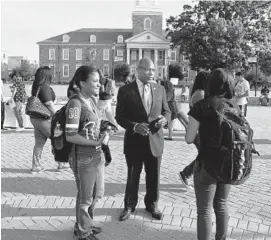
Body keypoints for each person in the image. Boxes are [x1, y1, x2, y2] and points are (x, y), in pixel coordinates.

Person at [116, 58, 171, 221]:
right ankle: (129, 205)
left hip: (155, 141)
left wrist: (165, 120)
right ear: (137, 70)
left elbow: (167, 111)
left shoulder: (160, 89)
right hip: (134, 141)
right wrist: (134, 126)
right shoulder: (125, 90)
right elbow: (119, 116)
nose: (151, 73)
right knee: (133, 175)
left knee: (154, 175)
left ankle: (152, 204)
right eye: (148, 69)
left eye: (153, 70)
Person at [185, 68, 236, 240]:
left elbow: (189, 138)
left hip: (207, 164)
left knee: (204, 210)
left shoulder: (201, 106)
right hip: (228, 164)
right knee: (221, 205)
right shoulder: (233, 106)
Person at [66, 65, 109, 240]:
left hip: (97, 155)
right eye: (95, 82)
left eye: (99, 81)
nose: (99, 85)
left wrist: (105, 130)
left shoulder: (90, 101)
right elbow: (70, 135)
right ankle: (83, 231)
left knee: (97, 193)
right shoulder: (75, 103)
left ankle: (85, 224)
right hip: (84, 157)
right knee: (85, 197)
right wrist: (95, 142)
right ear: (82, 83)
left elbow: (91, 125)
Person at [30, 66, 68, 173]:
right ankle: (62, 163)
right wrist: (57, 114)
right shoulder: (45, 86)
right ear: (47, 75)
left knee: (39, 142)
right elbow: (49, 103)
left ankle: (36, 166)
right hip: (44, 118)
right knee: (58, 138)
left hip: (35, 118)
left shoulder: (36, 86)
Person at [179, 71, 209, 188]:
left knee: (204, 155)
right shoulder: (200, 94)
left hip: (199, 129)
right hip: (198, 130)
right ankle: (186, 173)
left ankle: (189, 173)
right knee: (205, 155)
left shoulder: (199, 92)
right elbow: (204, 112)